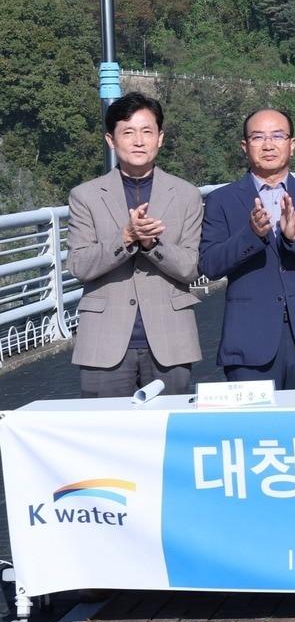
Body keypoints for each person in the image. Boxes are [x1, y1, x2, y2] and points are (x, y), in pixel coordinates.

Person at [67, 93, 203, 397]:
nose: (138, 141)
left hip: (171, 338)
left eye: (147, 131)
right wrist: (126, 238)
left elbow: (191, 268)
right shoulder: (85, 196)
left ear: (160, 138)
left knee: (170, 435)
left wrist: (153, 245)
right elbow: (79, 265)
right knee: (104, 437)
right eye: (128, 132)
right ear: (111, 140)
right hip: (104, 340)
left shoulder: (186, 194)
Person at [199, 108, 295, 389]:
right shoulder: (221, 200)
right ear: (244, 146)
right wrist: (251, 235)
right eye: (258, 137)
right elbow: (209, 265)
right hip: (249, 340)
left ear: (292, 144)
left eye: (278, 135)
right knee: (254, 431)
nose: (268, 145)